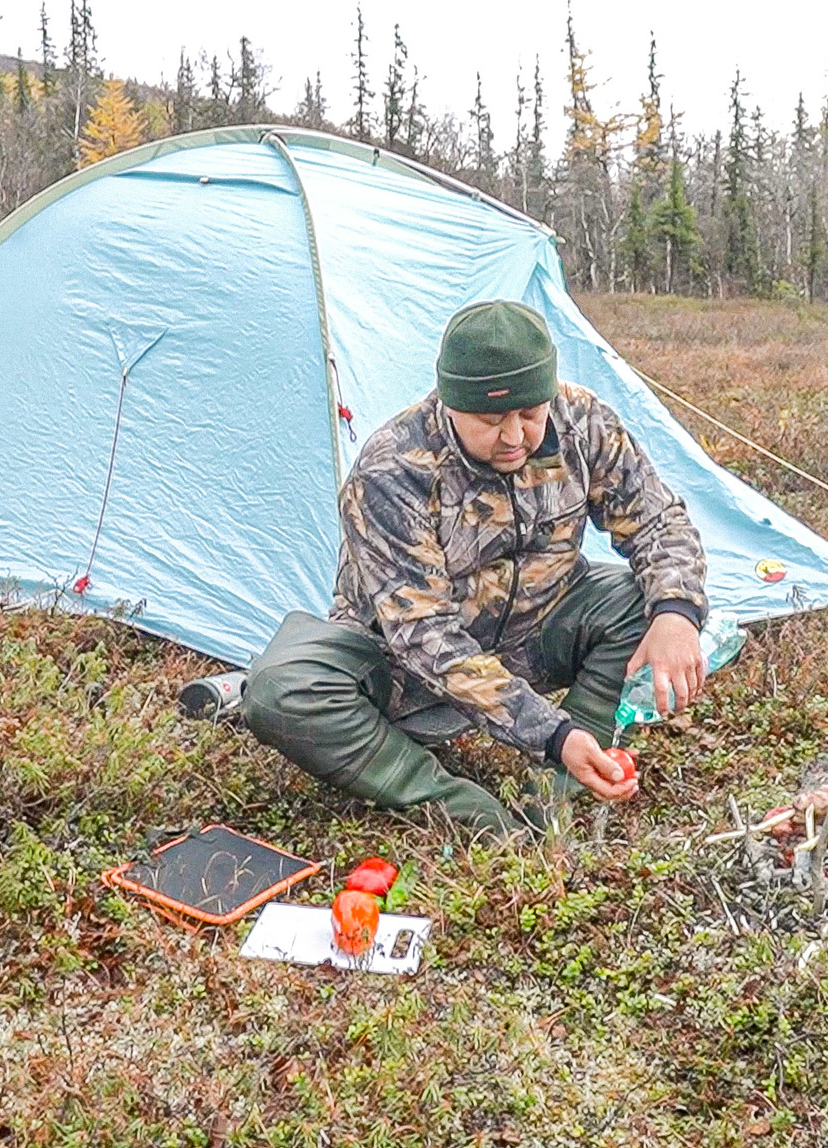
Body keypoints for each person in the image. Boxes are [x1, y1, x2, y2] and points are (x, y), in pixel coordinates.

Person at [244, 299, 710, 836]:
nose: (515, 437)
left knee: (643, 602)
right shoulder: (393, 471)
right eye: (491, 421)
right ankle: (464, 807)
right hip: (402, 666)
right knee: (281, 688)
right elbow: (423, 634)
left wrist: (677, 613)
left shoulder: (583, 422)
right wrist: (550, 731)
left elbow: (658, 520)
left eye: (532, 414)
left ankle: (560, 789)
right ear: (450, 404)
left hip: (534, 633)